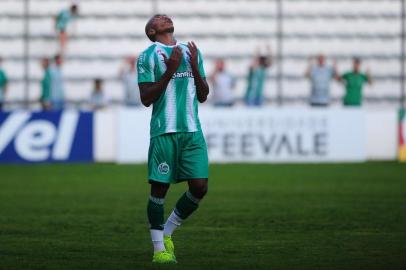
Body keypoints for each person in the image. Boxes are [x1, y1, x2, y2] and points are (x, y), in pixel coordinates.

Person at [137, 14, 209, 264]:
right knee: (159, 190)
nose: (163, 17)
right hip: (164, 131)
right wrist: (169, 70)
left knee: (200, 187)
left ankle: (167, 232)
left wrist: (196, 69)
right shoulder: (147, 56)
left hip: (192, 131)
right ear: (152, 32)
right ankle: (159, 250)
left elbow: (203, 95)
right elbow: (146, 98)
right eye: (157, 19)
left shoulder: (190, 51)